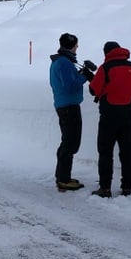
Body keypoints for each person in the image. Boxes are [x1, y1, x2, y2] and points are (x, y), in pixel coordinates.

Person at [89, 41, 131, 197]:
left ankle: (105, 188)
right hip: (127, 114)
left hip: (108, 115)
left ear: (106, 52)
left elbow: (93, 90)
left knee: (105, 151)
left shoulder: (106, 68)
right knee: (126, 151)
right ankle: (127, 186)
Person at [49, 33, 97, 192]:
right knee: (70, 143)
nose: (77, 47)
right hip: (68, 106)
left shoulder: (62, 61)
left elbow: (68, 81)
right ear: (71, 46)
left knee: (68, 141)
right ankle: (63, 179)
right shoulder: (63, 63)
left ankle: (62, 177)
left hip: (65, 105)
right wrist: (84, 76)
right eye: (76, 45)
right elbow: (70, 86)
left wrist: (81, 73)